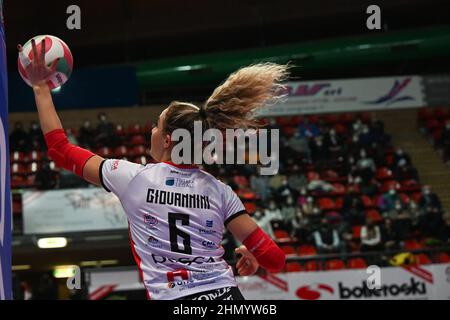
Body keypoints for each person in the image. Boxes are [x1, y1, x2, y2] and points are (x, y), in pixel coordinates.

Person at [19, 39, 285, 300]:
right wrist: (254, 253)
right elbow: (275, 261)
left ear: (168, 140)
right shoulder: (221, 191)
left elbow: (60, 150)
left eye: (157, 125)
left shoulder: (133, 178)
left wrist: (40, 87)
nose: (152, 131)